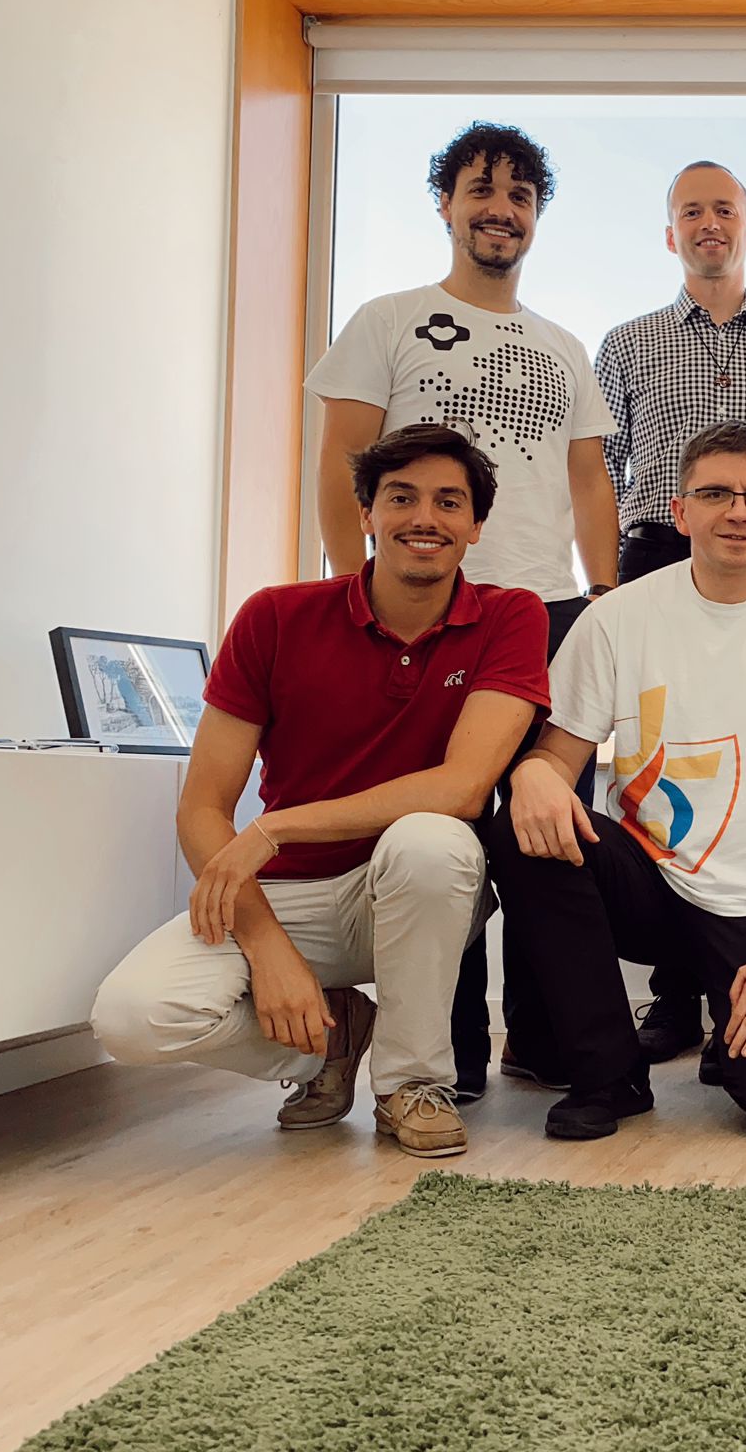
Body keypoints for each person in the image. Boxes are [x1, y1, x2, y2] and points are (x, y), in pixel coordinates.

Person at [91, 427, 550, 1158]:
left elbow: (463, 789)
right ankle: (329, 1045)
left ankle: (410, 1085)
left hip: (414, 888)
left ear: (475, 525)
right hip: (285, 896)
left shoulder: (511, 615)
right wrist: (266, 945)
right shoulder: (274, 616)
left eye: (448, 502)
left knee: (431, 839)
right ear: (367, 513)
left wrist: (276, 828)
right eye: (400, 498)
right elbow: (203, 805)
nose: (424, 518)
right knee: (133, 1018)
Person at [304, 120, 620, 1102]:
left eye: (520, 195)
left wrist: (604, 598)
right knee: (436, 827)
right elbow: (344, 468)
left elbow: (589, 481)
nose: (501, 209)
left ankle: (542, 1038)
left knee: (547, 826)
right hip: (428, 612)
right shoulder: (387, 320)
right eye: (481, 189)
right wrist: (356, 591)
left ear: (535, 217)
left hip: (548, 611)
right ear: (445, 205)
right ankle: (447, 1056)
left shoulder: (563, 346)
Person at [484, 422, 746, 1141]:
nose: (738, 511)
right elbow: (558, 755)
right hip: (647, 883)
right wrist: (533, 774)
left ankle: (731, 1036)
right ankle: (610, 1077)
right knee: (522, 829)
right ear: (679, 512)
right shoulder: (618, 616)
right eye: (715, 494)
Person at [594, 160, 746, 1067]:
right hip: (656, 554)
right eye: (692, 211)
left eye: (725, 210)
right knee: (661, 765)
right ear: (670, 233)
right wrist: (605, 584)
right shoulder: (627, 342)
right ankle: (676, 996)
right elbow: (602, 467)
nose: (709, 224)